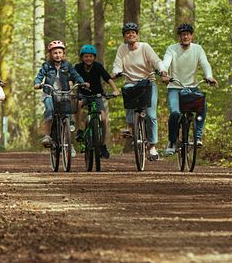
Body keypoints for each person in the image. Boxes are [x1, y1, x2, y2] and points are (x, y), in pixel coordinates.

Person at [111, 22, 167, 161]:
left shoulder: (145, 47)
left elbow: (156, 61)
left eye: (133, 32)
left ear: (137, 35)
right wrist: (116, 72)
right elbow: (117, 63)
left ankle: (152, 146)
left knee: (151, 115)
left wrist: (163, 70)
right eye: (128, 33)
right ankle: (130, 127)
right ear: (124, 36)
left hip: (148, 83)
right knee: (128, 95)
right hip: (131, 82)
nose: (131, 34)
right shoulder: (122, 49)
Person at [161, 23, 218, 155]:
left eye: (187, 34)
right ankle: (172, 141)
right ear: (179, 37)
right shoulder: (172, 49)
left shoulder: (198, 49)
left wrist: (209, 76)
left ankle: (197, 137)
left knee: (202, 105)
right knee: (175, 113)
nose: (185, 37)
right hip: (175, 87)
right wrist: (164, 73)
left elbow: (205, 63)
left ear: (191, 36)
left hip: (192, 87)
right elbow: (165, 62)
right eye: (182, 35)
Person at [34, 40, 84, 148]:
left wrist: (82, 82)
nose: (57, 55)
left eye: (60, 53)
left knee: (68, 112)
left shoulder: (67, 65)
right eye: (55, 53)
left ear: (63, 54)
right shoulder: (47, 66)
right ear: (51, 54)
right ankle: (47, 135)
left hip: (63, 92)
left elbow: (75, 75)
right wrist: (37, 83)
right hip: (49, 93)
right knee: (50, 111)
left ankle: (69, 144)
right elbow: (39, 75)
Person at [74, 44, 120, 159]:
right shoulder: (78, 67)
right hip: (83, 95)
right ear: (82, 58)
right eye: (86, 56)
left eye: (90, 56)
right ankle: (79, 129)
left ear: (94, 57)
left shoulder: (98, 66)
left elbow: (107, 78)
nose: (88, 58)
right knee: (78, 105)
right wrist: (70, 87)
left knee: (103, 119)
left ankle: (102, 144)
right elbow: (71, 79)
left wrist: (115, 90)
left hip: (97, 95)